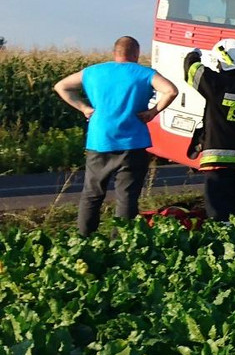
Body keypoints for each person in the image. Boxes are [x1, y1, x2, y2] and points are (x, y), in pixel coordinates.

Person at [54, 36, 178, 236]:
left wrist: (84, 108)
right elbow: (171, 91)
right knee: (127, 196)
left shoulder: (93, 72)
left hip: (99, 141)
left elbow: (61, 86)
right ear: (136, 54)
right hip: (133, 143)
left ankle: (84, 237)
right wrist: (153, 112)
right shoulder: (144, 73)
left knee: (92, 193)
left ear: (115, 52)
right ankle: (119, 242)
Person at [184, 39, 235, 222]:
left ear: (223, 61)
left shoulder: (218, 85)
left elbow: (191, 70)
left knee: (218, 211)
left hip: (218, 161)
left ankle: (221, 241)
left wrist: (194, 54)